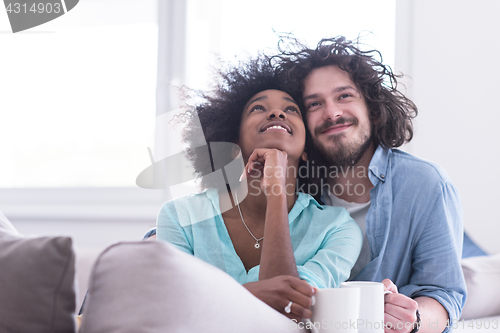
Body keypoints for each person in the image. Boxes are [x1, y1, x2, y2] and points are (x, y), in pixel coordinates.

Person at [273, 37, 466, 333]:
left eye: (345, 96)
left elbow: (445, 295)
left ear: (373, 110)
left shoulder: (426, 184)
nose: (332, 113)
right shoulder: (292, 190)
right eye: (314, 103)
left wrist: (412, 320)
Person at [156, 57, 362, 322]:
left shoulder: (337, 229)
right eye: (258, 108)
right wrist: (251, 294)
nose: (277, 114)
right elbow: (171, 310)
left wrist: (276, 191)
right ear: (233, 139)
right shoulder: (180, 216)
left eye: (292, 110)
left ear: (308, 150)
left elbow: (288, 312)